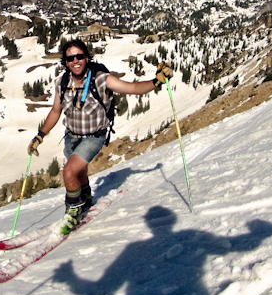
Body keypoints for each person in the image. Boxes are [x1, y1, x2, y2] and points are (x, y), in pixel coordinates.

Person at [28, 39, 173, 234]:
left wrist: (157, 81)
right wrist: (40, 136)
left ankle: (73, 213)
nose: (76, 61)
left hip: (94, 136)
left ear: (87, 58)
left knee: (69, 172)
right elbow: (56, 111)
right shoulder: (62, 82)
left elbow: (132, 88)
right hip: (72, 136)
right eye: (71, 58)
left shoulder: (101, 79)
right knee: (79, 170)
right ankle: (86, 196)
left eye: (79, 56)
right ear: (66, 61)